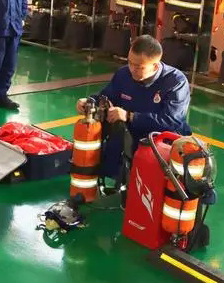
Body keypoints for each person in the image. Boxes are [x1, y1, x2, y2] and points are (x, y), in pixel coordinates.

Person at [76, 35, 192, 179]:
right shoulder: (123, 75)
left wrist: (130, 116)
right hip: (131, 135)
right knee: (103, 156)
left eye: (138, 66)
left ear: (155, 66)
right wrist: (90, 101)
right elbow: (106, 96)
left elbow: (171, 121)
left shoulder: (175, 82)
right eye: (130, 62)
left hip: (162, 142)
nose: (132, 69)